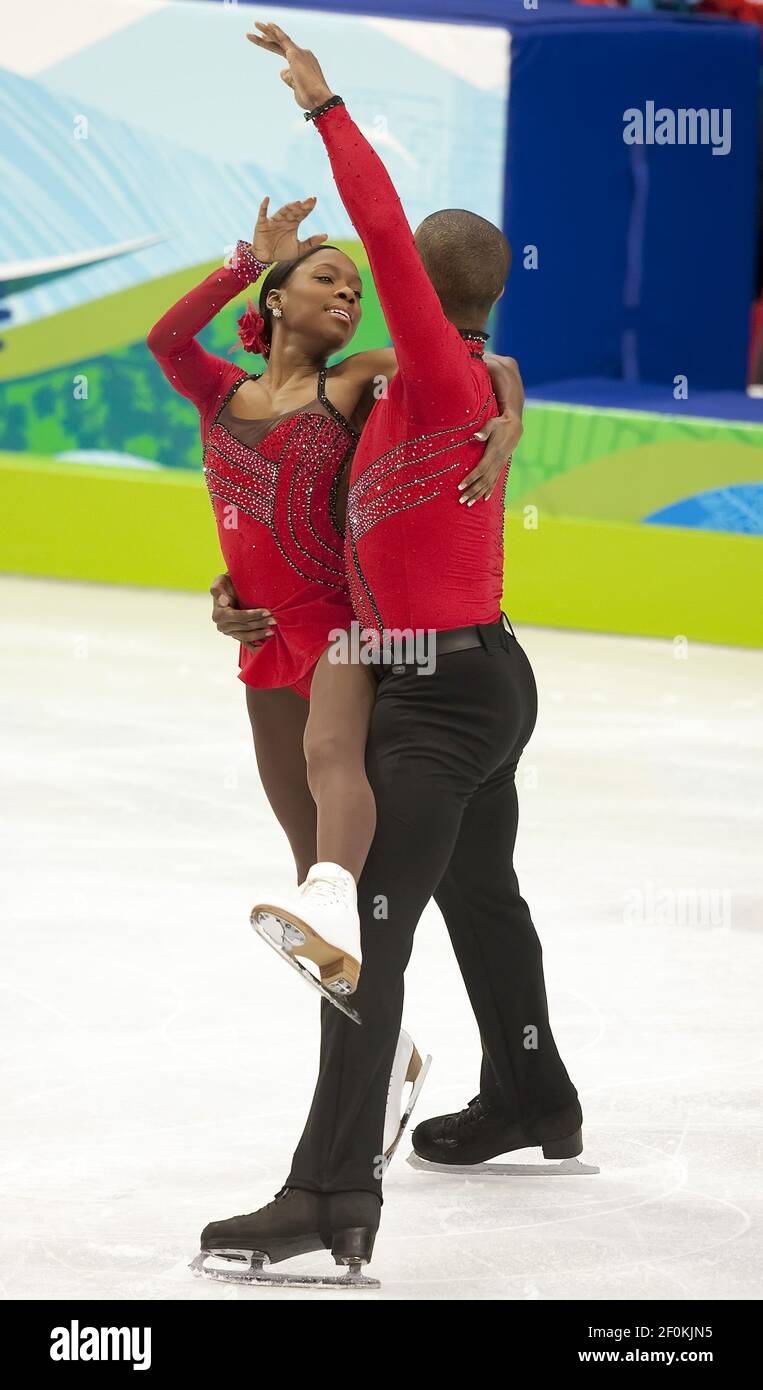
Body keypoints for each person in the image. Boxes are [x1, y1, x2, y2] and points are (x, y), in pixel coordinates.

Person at [197, 23, 583, 1285]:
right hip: (464, 674)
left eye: (389, 281)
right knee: (477, 894)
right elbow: (308, 515)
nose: (368, 292)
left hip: (440, 696)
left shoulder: (439, 374)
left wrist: (329, 107)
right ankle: (535, 1092)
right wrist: (239, 587)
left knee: (361, 940)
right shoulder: (432, 389)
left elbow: (380, 220)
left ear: (422, 292)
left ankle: (326, 1190)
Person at [146, 198, 522, 1010]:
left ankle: (337, 908)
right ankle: (383, 1054)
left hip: (340, 628)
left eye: (356, 287)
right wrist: (246, 260)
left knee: (331, 768)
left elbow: (474, 365)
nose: (349, 295)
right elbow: (165, 340)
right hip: (262, 640)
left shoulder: (354, 379)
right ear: (276, 301)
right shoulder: (218, 394)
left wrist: (511, 418)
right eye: (327, 278)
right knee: (304, 851)